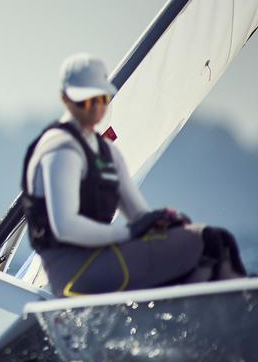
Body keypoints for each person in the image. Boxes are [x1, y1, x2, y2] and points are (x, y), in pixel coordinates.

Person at [19, 53, 246, 297]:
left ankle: (227, 308)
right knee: (207, 243)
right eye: (86, 101)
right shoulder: (60, 150)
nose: (95, 108)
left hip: (103, 258)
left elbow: (138, 215)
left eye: (101, 98)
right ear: (65, 99)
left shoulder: (109, 153)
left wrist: (163, 222)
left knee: (216, 243)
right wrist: (129, 232)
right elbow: (65, 227)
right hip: (72, 273)